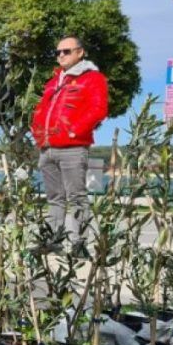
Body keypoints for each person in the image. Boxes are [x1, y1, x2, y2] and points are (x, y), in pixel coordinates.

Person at [30, 35, 108, 255]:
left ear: (80, 52)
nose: (61, 56)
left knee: (76, 197)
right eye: (58, 52)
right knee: (54, 198)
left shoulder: (93, 78)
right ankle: (53, 240)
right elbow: (41, 110)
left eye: (66, 51)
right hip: (47, 148)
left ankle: (79, 244)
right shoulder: (54, 81)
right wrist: (37, 133)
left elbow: (98, 109)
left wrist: (74, 131)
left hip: (72, 148)